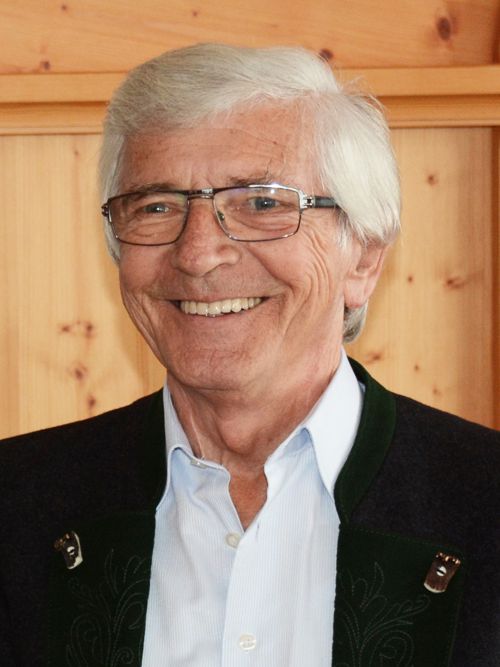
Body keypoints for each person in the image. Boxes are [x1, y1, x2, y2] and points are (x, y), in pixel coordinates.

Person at [0, 43, 498, 667]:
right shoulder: (16, 506)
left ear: (364, 256)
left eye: (262, 203)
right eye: (157, 207)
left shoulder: (485, 498)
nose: (198, 254)